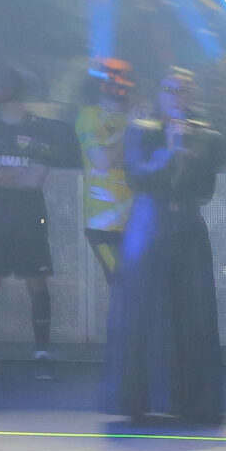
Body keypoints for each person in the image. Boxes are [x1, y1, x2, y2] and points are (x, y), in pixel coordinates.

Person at [101, 68, 225, 423]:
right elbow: (137, 177)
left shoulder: (208, 137)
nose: (176, 96)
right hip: (148, 226)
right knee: (142, 311)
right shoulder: (141, 131)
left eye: (182, 90)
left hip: (186, 227)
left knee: (190, 311)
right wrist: (170, 153)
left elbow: (205, 189)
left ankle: (188, 399)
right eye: (169, 89)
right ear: (160, 93)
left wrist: (185, 154)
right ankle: (138, 398)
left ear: (192, 94)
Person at [0, 68, 75, 378]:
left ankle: (42, 354)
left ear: (14, 89)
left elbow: (34, 180)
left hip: (29, 217)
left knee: (36, 280)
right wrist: (14, 174)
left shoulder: (42, 129)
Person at [77, 58, 137, 291]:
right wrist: (132, 131)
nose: (118, 82)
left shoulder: (135, 118)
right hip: (104, 222)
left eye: (123, 77)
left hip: (136, 220)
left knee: (138, 288)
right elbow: (101, 162)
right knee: (123, 286)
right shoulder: (90, 115)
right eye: (111, 77)